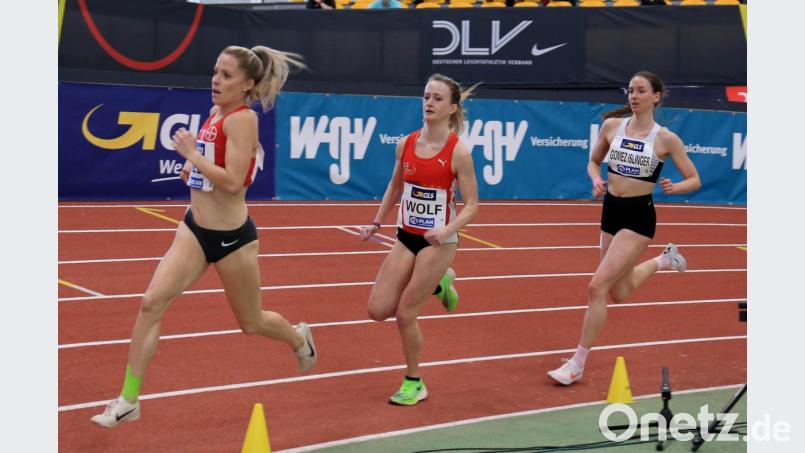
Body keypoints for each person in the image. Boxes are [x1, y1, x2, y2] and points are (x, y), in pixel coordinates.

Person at [91, 45, 316, 427]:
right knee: (150, 303)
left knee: (251, 322)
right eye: (215, 71)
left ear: (247, 84)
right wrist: (192, 171)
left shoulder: (243, 120)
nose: (216, 80)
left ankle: (298, 339)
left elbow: (232, 183)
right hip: (194, 229)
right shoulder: (215, 113)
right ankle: (129, 399)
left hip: (232, 239)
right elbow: (212, 170)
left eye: (226, 75)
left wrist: (194, 157)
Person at [547, 71, 701, 386]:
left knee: (596, 287)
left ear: (656, 96)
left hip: (638, 218)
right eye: (630, 90)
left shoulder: (665, 139)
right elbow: (593, 162)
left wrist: (677, 187)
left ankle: (576, 363)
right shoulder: (612, 127)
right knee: (620, 290)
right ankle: (664, 260)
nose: (633, 96)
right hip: (610, 212)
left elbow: (695, 179)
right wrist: (595, 180)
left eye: (641, 91)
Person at [359, 74, 479, 405]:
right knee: (377, 309)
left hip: (439, 242)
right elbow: (395, 187)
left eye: (438, 98)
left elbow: (472, 205)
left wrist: (447, 229)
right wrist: (376, 222)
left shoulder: (458, 153)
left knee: (405, 313)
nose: (429, 103)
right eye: (426, 96)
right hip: (406, 236)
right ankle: (442, 284)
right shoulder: (407, 143)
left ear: (452, 107)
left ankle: (414, 381)